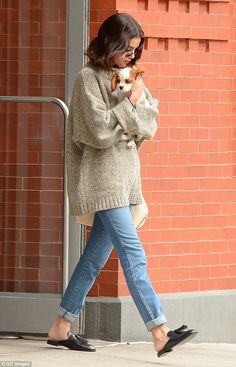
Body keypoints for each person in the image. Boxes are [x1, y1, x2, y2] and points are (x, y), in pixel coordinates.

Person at [47, 13, 197, 358]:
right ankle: (160, 331)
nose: (132, 57)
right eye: (127, 50)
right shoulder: (88, 80)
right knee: (133, 255)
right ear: (110, 43)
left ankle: (60, 327)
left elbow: (152, 121)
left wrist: (133, 112)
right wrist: (130, 106)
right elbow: (99, 133)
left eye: (135, 52)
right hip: (102, 182)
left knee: (93, 259)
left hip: (124, 179)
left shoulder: (125, 75)